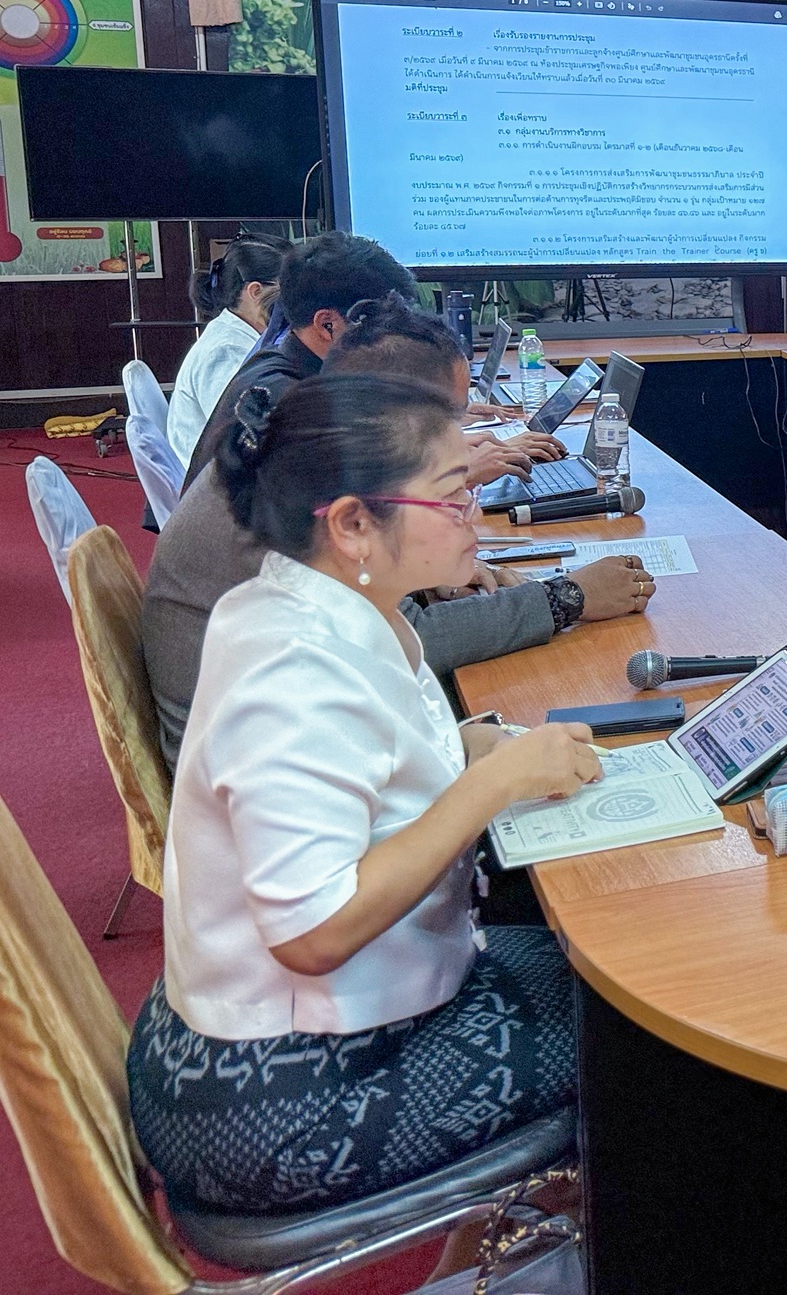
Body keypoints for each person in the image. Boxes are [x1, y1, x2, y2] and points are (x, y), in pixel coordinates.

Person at [128, 373, 603, 1218]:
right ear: (352, 522)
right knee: (646, 1046)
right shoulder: (291, 668)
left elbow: (368, 768)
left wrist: (465, 750)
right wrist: (491, 781)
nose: (477, 516)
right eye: (455, 497)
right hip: (277, 1094)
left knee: (597, 968)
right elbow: (311, 935)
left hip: (307, 1036)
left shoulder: (330, 603)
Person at [143, 296, 656, 771]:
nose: (459, 435)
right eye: (448, 419)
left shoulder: (309, 443)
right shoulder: (307, 488)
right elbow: (418, 639)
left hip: (293, 740)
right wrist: (568, 596)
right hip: (272, 778)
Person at [186, 230, 416, 481]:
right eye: (383, 322)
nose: (396, 336)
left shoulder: (287, 360)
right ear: (328, 324)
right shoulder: (285, 400)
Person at [166, 234, 288, 465]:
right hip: (217, 485)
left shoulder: (238, 335)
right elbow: (242, 436)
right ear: (255, 291)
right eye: (288, 289)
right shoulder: (224, 351)